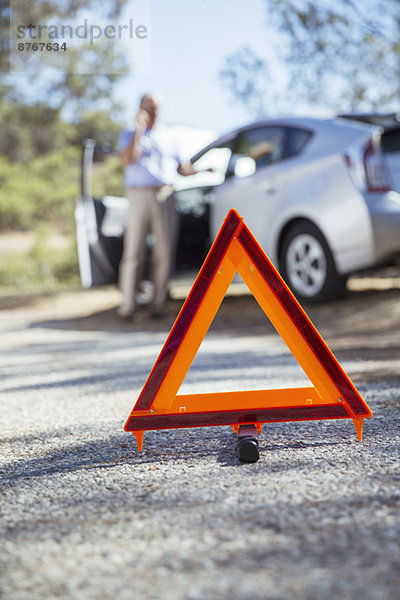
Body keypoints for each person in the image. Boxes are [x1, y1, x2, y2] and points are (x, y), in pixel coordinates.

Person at [117, 93, 197, 320]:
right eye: (149, 108)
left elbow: (183, 168)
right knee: (133, 251)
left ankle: (158, 304)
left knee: (164, 251)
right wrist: (139, 131)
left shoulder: (171, 135)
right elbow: (126, 160)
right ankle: (128, 305)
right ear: (141, 108)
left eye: (157, 108)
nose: (154, 112)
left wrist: (204, 170)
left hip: (164, 193)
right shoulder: (129, 134)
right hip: (138, 194)